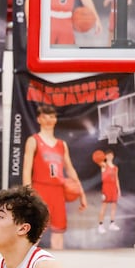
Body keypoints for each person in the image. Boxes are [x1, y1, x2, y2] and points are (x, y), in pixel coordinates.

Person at [20, 105, 86, 251]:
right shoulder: (33, 140)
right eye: (45, 116)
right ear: (39, 119)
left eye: (51, 116)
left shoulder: (62, 145)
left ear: (56, 119)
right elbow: (26, 170)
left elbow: (70, 170)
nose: (48, 119)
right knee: (33, 234)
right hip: (39, 190)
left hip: (58, 192)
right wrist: (27, 194)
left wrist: (81, 193)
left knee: (58, 234)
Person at [94, 152, 120, 234]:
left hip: (113, 188)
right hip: (106, 188)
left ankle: (112, 224)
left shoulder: (115, 168)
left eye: (111, 155)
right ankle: (100, 226)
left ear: (113, 156)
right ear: (105, 156)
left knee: (113, 207)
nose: (110, 156)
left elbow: (116, 179)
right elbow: (97, 160)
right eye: (108, 155)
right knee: (103, 208)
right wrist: (98, 156)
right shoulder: (104, 165)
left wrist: (118, 190)